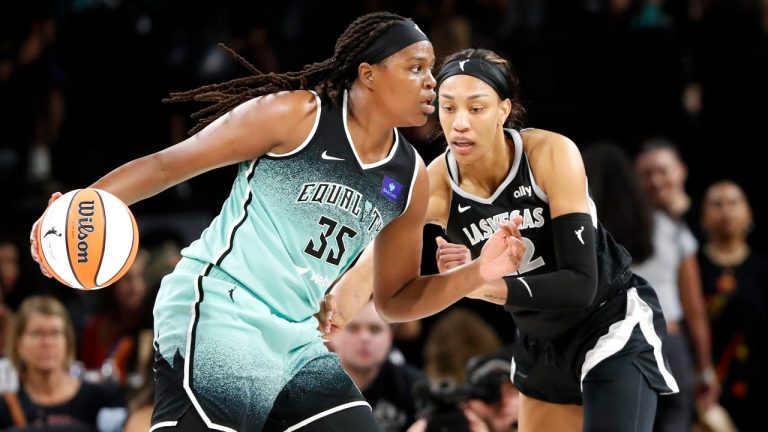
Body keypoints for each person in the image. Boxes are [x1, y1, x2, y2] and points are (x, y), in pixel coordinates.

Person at [29, 12, 525, 432]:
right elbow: (167, 165)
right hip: (222, 308)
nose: (431, 83)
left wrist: (478, 272)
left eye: (431, 70)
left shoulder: (410, 177)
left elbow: (395, 300)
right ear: (368, 74)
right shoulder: (297, 116)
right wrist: (75, 208)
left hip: (294, 338)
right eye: (416, 68)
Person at [321, 48, 680, 431]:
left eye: (476, 109)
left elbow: (580, 285)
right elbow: (374, 257)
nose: (459, 123)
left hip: (608, 321)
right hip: (538, 338)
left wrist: (479, 283)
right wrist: (332, 312)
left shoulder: (549, 154)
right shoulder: (437, 182)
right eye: (447, 108)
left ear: (503, 111)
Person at [635, 140, 719, 432]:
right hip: (657, 339)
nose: (656, 181)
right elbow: (693, 307)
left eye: (662, 171)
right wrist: (705, 369)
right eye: (647, 174)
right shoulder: (638, 224)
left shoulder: (693, 219)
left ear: (681, 171)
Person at [698, 180, 767, 432]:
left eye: (733, 203)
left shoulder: (761, 268)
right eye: (717, 204)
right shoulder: (692, 267)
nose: (726, 211)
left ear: (748, 212)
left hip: (757, 385)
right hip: (706, 388)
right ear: (703, 217)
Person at [0, 295, 125, 431]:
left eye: (55, 333)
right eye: (37, 334)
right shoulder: (6, 406)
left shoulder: (99, 398)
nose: (47, 342)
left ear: (68, 341)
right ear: (18, 343)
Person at [327, 299, 425, 432]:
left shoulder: (415, 387)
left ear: (390, 337)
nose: (365, 338)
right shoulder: (306, 389)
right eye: (353, 328)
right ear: (331, 337)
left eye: (375, 329)